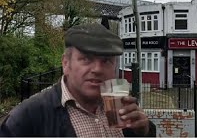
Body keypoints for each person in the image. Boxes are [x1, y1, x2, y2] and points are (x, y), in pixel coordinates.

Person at [0, 23, 156, 137]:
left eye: (106, 60)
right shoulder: (28, 117)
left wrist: (145, 131)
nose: (97, 69)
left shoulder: (122, 107)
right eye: (86, 59)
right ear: (66, 64)